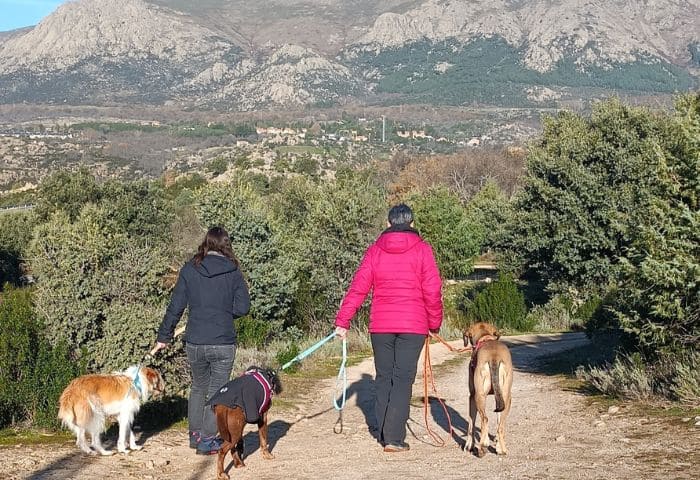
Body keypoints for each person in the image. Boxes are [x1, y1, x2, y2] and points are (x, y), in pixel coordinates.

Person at [334, 204, 443, 453]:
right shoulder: (423, 250)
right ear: (412, 223)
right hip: (413, 326)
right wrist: (435, 323)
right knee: (403, 379)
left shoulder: (375, 252)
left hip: (380, 326)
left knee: (384, 377)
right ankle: (393, 437)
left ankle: (384, 431)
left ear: (388, 223)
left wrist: (343, 321)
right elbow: (433, 290)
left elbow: (358, 288)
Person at [152, 226, 250, 455]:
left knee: (198, 387)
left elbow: (175, 307)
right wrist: (225, 313)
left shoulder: (189, 269)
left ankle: (195, 436)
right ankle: (207, 438)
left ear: (205, 243)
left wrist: (163, 337)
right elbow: (243, 308)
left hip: (195, 341)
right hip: (223, 341)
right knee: (218, 391)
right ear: (226, 245)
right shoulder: (234, 271)